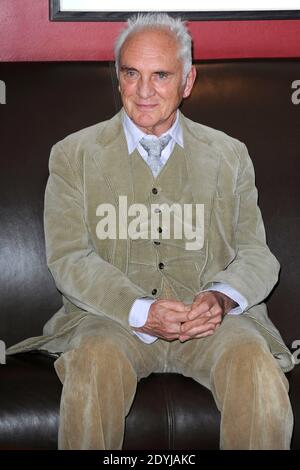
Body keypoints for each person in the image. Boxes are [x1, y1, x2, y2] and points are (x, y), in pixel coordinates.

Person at [7, 13, 295, 450]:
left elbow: (257, 255)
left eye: (161, 75)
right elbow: (69, 259)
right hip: (109, 320)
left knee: (255, 367)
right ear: (117, 78)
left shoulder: (230, 155)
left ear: (188, 81)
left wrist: (218, 298)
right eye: (131, 74)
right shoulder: (72, 155)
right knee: (93, 365)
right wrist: (141, 310)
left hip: (210, 325)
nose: (143, 91)